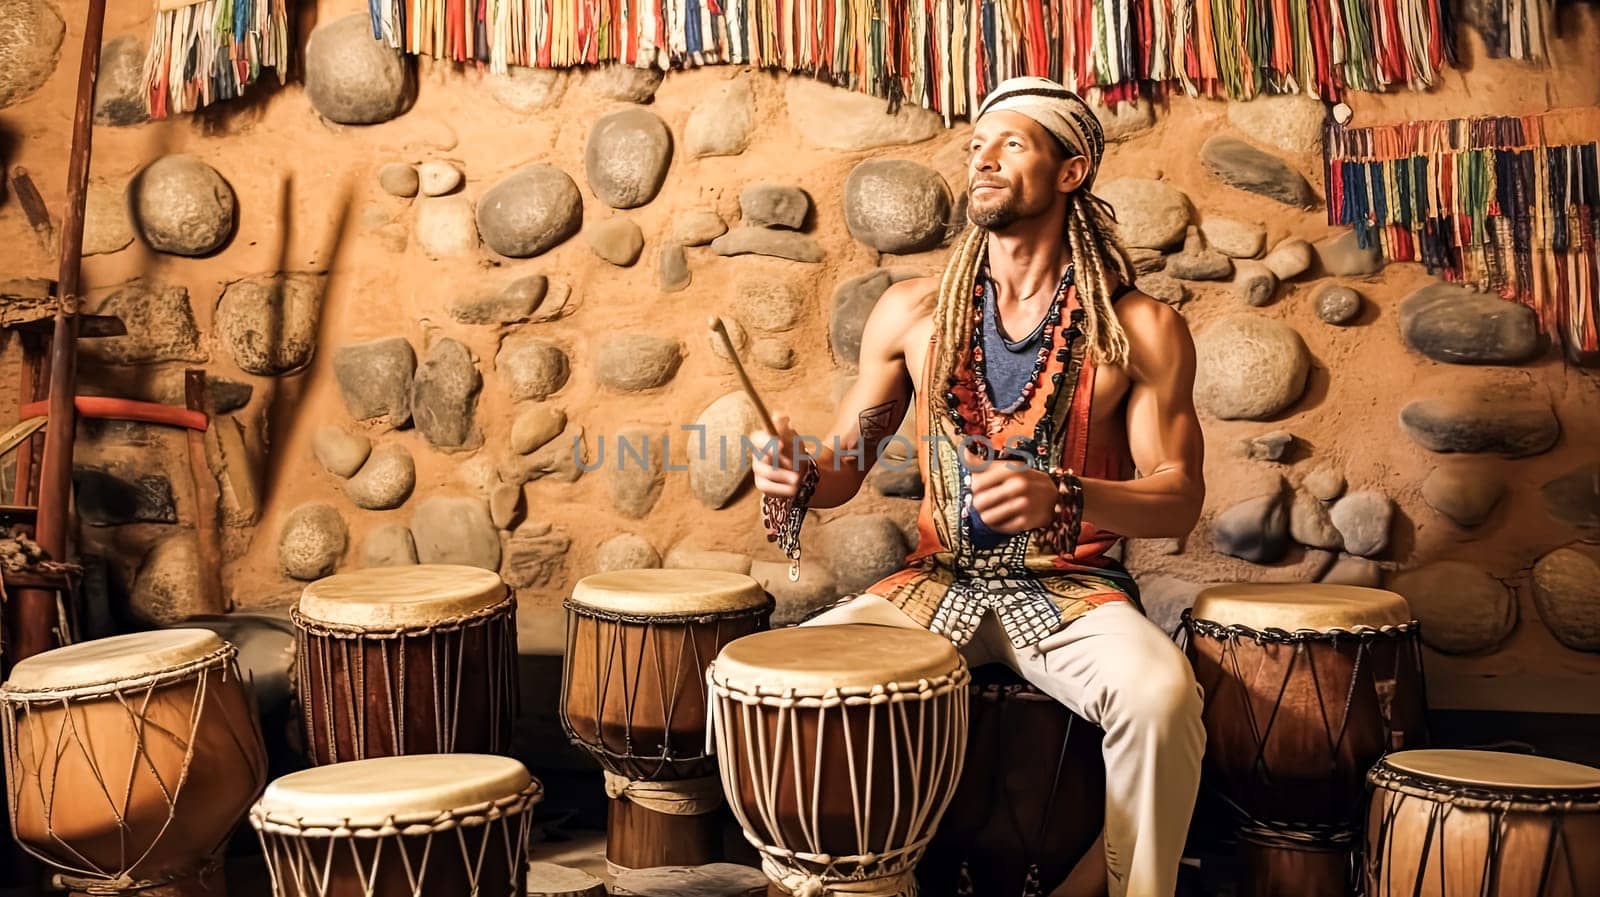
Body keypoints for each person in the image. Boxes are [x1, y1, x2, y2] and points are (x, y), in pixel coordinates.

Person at [752, 76, 1207, 897]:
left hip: (1070, 592)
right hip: (935, 583)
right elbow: (845, 467)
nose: (983, 158)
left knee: (1163, 698)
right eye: (976, 145)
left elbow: (1179, 497)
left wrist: (1068, 496)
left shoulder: (1136, 327)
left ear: (1071, 172)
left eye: (1012, 143)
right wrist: (800, 476)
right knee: (775, 679)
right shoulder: (911, 312)